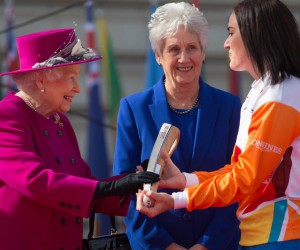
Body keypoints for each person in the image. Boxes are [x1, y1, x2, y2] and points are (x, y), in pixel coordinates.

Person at [136, 0, 300, 249]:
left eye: (231, 32)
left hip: (280, 235)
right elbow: (239, 171)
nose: (225, 43)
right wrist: (184, 180)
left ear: (256, 34)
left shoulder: (282, 94)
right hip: (263, 236)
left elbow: (244, 178)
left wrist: (177, 200)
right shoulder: (266, 91)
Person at [0, 28, 160, 250]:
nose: (78, 88)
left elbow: (83, 183)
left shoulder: (59, 121)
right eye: (71, 78)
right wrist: (110, 188)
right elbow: (34, 180)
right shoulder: (6, 116)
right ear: (40, 80)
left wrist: (130, 184)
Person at [113, 2, 241, 250]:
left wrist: (206, 245)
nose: (184, 58)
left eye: (192, 47)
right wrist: (166, 246)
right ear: (158, 56)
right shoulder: (134, 108)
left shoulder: (230, 107)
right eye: (173, 49)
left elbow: (238, 182)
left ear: (203, 52)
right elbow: (125, 192)